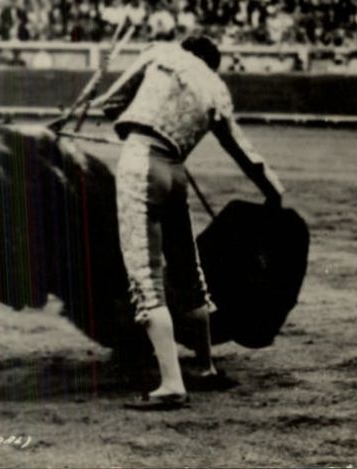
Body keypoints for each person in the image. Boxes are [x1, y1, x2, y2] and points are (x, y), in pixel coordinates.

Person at [81, 36, 284, 409]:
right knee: (189, 271)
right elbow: (243, 151)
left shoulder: (162, 53)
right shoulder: (217, 88)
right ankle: (205, 367)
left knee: (146, 276)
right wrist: (274, 192)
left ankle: (172, 383)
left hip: (142, 162)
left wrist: (134, 124)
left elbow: (112, 102)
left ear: (187, 49)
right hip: (175, 172)